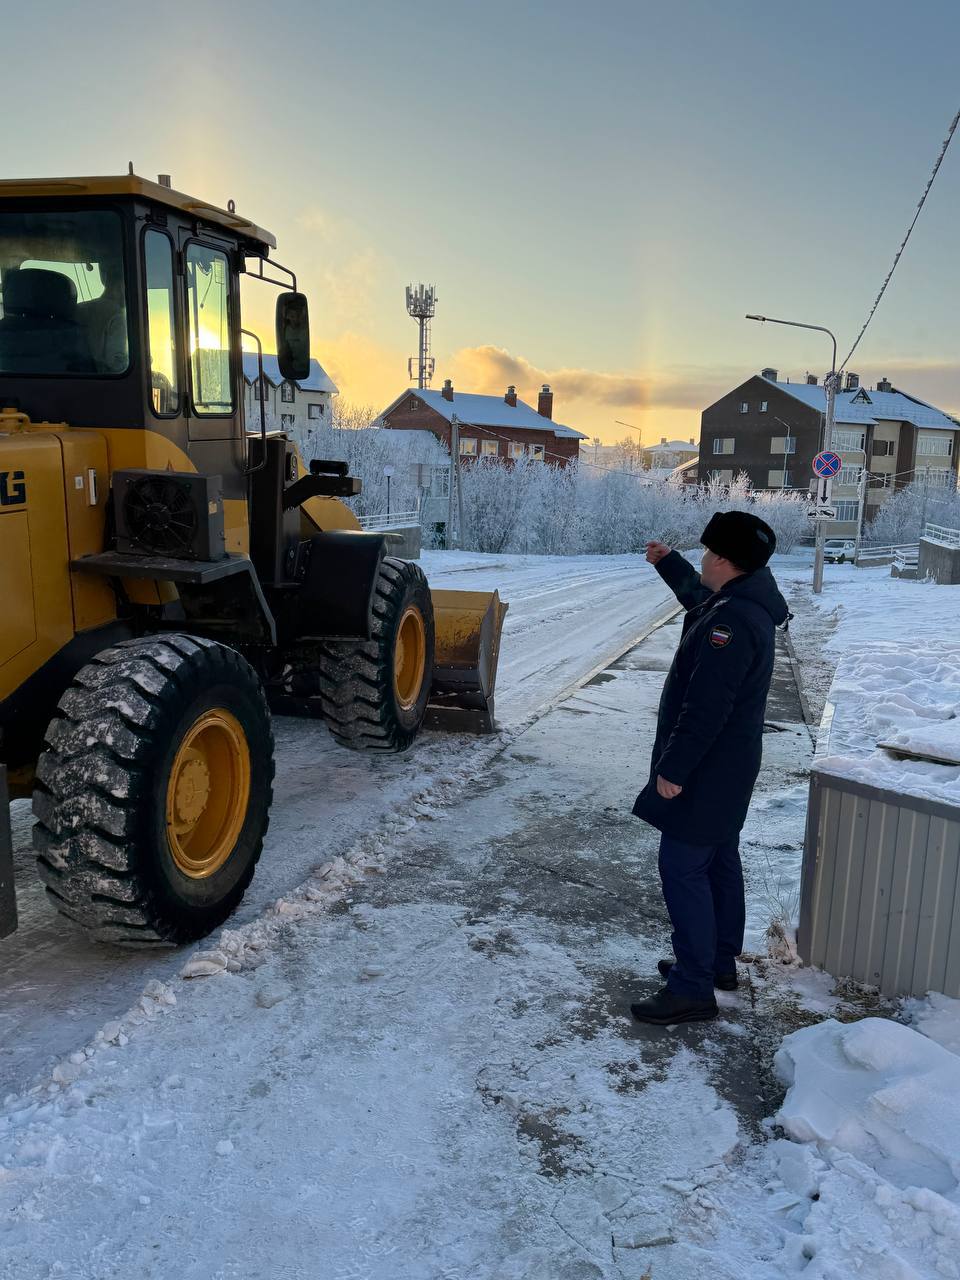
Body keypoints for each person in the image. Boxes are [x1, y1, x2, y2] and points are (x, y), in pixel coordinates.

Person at [629, 510, 789, 1026]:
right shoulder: (743, 603)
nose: (702, 559)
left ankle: (693, 986)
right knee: (719, 860)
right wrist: (670, 565)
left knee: (682, 868)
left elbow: (706, 707)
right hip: (730, 766)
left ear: (723, 559)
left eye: (703, 553)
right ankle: (718, 963)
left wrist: (674, 769)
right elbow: (702, 600)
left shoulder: (731, 623)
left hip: (708, 768)